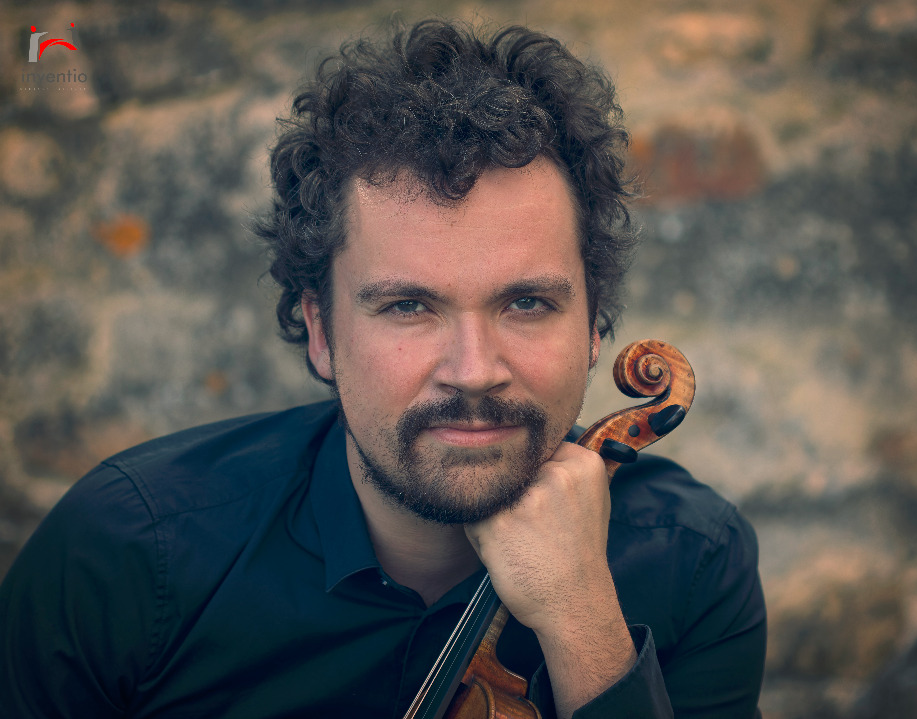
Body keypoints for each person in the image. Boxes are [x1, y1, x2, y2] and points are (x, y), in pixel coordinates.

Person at [0, 19, 765, 719]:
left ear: (595, 326)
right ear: (320, 331)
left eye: (527, 302)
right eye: (408, 306)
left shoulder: (692, 561)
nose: (474, 371)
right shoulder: (127, 556)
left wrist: (581, 618)